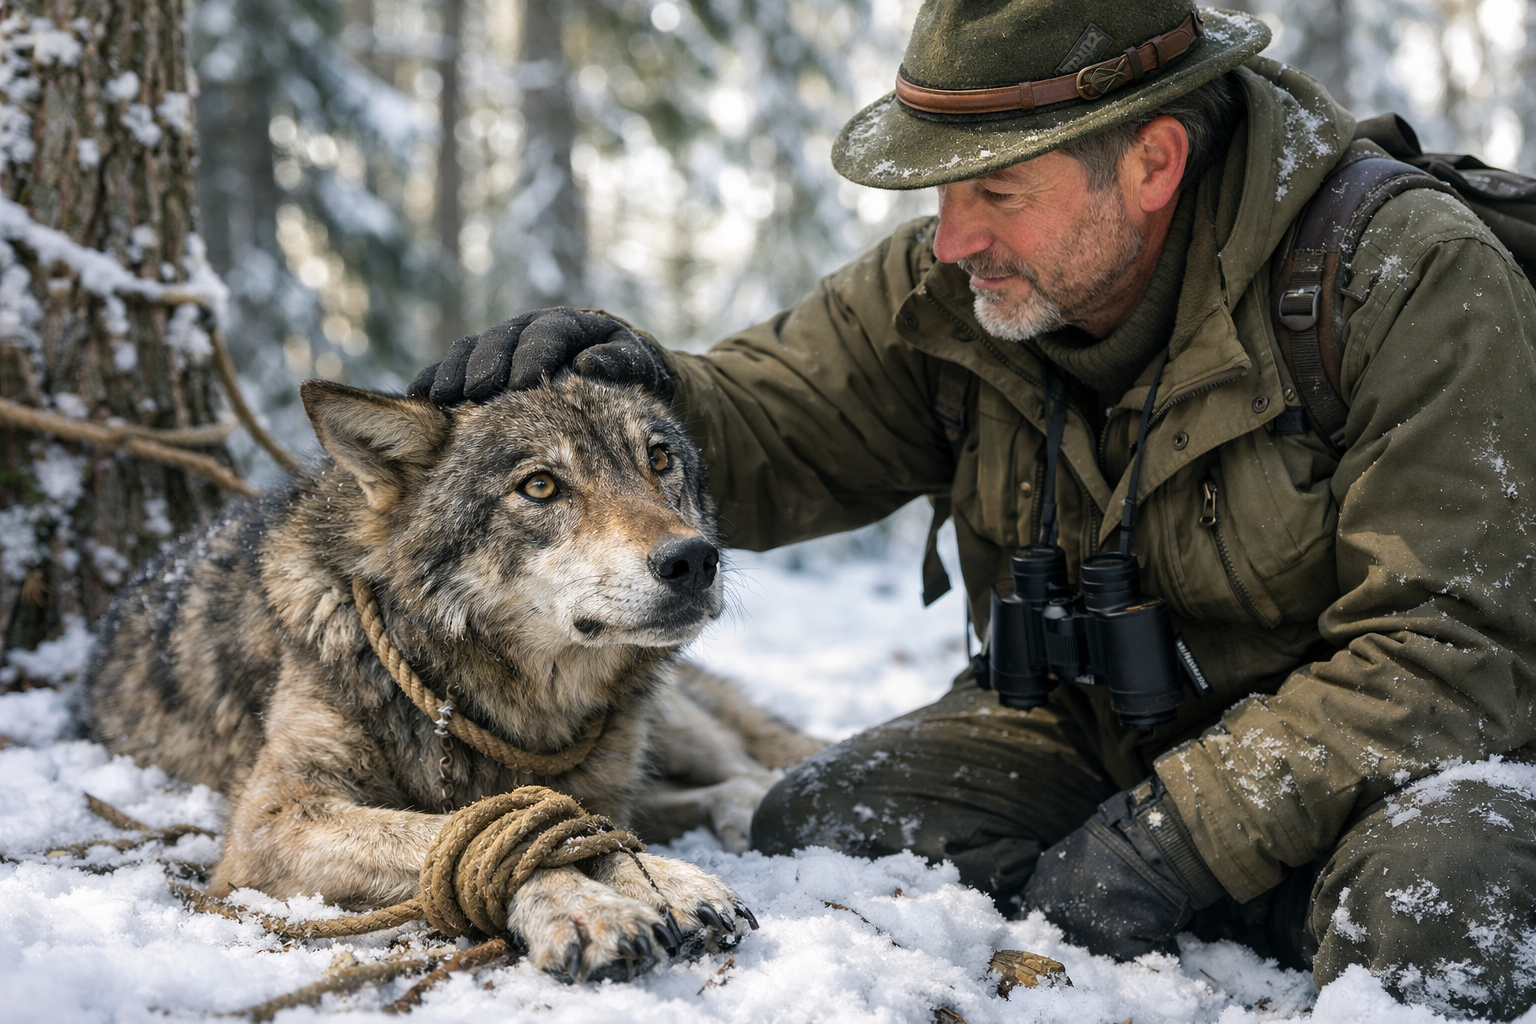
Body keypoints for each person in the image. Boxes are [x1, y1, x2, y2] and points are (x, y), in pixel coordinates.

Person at [411, 1, 1536, 1015]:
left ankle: (1295, 908)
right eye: (942, 189)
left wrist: (1168, 846)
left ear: (1153, 162)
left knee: (1447, 908)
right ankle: (1261, 917)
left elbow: (1448, 652)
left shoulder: (1404, 277)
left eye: (995, 188)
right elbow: (782, 416)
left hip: (1412, 764)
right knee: (827, 819)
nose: (953, 239)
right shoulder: (960, 288)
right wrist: (643, 384)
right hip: (1101, 733)